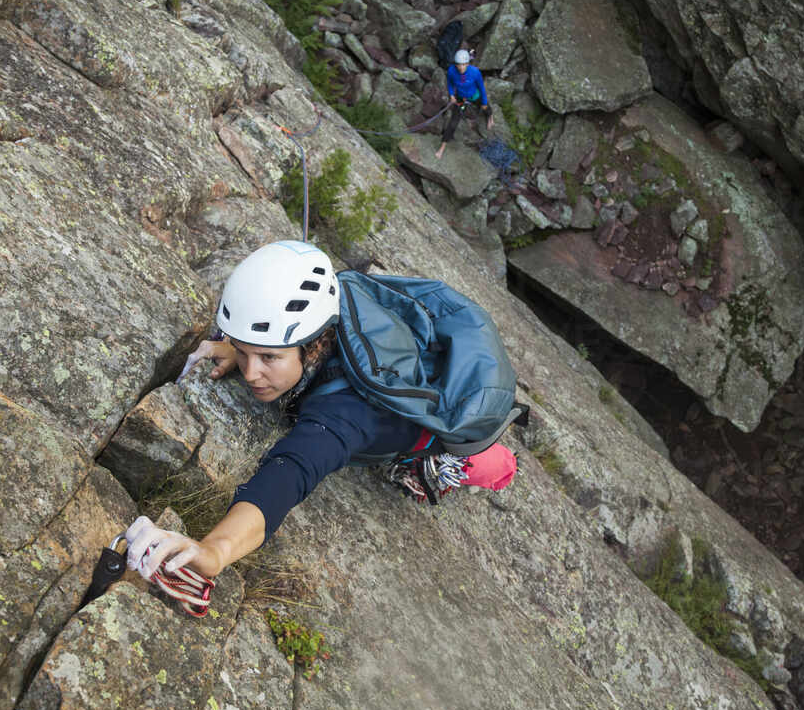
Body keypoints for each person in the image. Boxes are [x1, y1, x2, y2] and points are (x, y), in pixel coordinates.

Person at [124, 240, 517, 582]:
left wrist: (214, 551)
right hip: (402, 354)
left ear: (312, 346)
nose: (250, 373)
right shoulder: (326, 309)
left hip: (422, 423)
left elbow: (290, 472)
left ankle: (444, 461)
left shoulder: (343, 415)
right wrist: (237, 347)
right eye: (244, 352)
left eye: (267, 357)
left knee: (492, 465)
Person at [434, 49, 493, 159]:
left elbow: (482, 88)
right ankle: (442, 147)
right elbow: (450, 83)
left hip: (475, 96)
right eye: (459, 65)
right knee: (453, 121)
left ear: (467, 63)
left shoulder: (475, 72)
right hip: (461, 98)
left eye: (463, 64)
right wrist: (451, 95)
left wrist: (484, 102)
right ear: (455, 64)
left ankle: (490, 117)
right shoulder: (452, 71)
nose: (461, 67)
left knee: (485, 107)